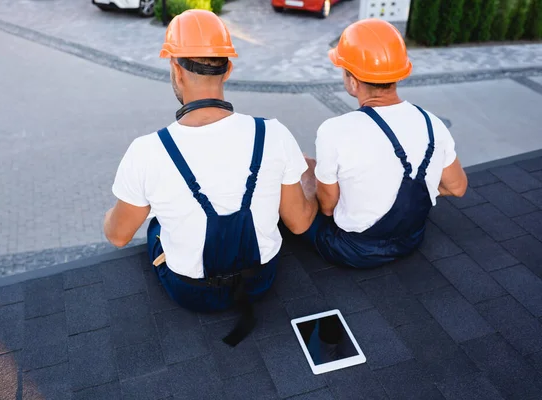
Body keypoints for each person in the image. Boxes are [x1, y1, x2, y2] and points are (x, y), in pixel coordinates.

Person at [103, 10, 317, 346]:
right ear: (229, 68)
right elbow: (300, 223)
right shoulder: (273, 134)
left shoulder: (147, 151)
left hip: (192, 293)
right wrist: (309, 182)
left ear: (175, 68)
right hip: (260, 281)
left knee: (155, 223)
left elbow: (117, 236)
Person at [302, 19, 468, 269]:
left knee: (301, 172)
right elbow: (458, 187)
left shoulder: (334, 131)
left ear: (353, 81)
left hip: (353, 250)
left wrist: (309, 183)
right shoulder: (433, 123)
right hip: (411, 239)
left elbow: (327, 207)